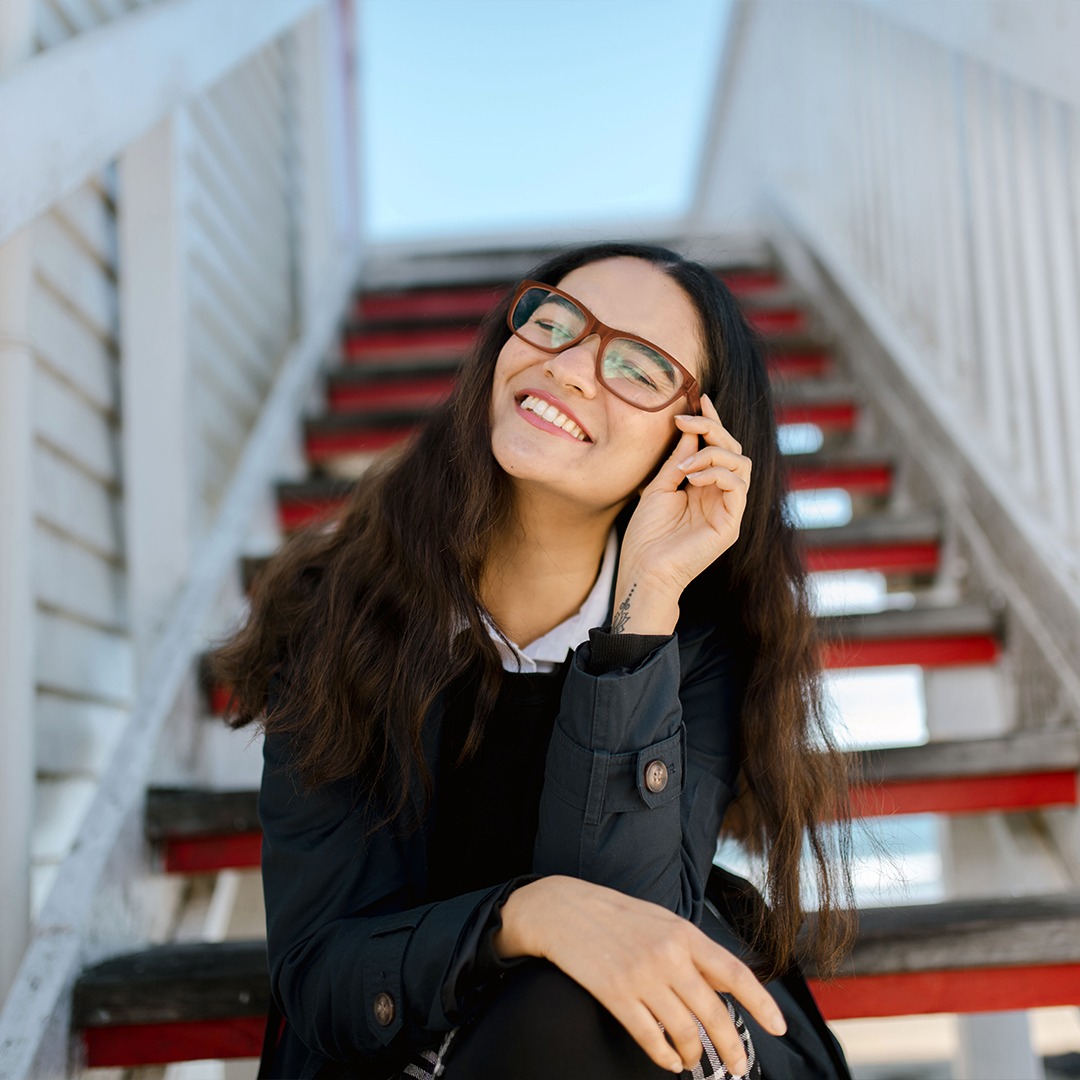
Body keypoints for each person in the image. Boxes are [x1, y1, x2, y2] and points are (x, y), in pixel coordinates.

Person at [211, 242, 857, 1079]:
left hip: (634, 1045)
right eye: (556, 323)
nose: (574, 369)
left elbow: (632, 938)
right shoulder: (337, 609)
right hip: (399, 1051)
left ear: (694, 442)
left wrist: (640, 618)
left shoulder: (695, 643)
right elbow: (324, 970)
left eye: (640, 367)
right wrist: (525, 915)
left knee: (577, 1006)